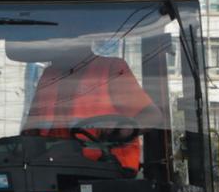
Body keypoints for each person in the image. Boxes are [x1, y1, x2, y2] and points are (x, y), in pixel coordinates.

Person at [22, 46, 161, 172]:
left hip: (110, 170)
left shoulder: (112, 68)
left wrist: (120, 130)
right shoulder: (49, 75)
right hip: (55, 169)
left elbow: (152, 116)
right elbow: (30, 133)